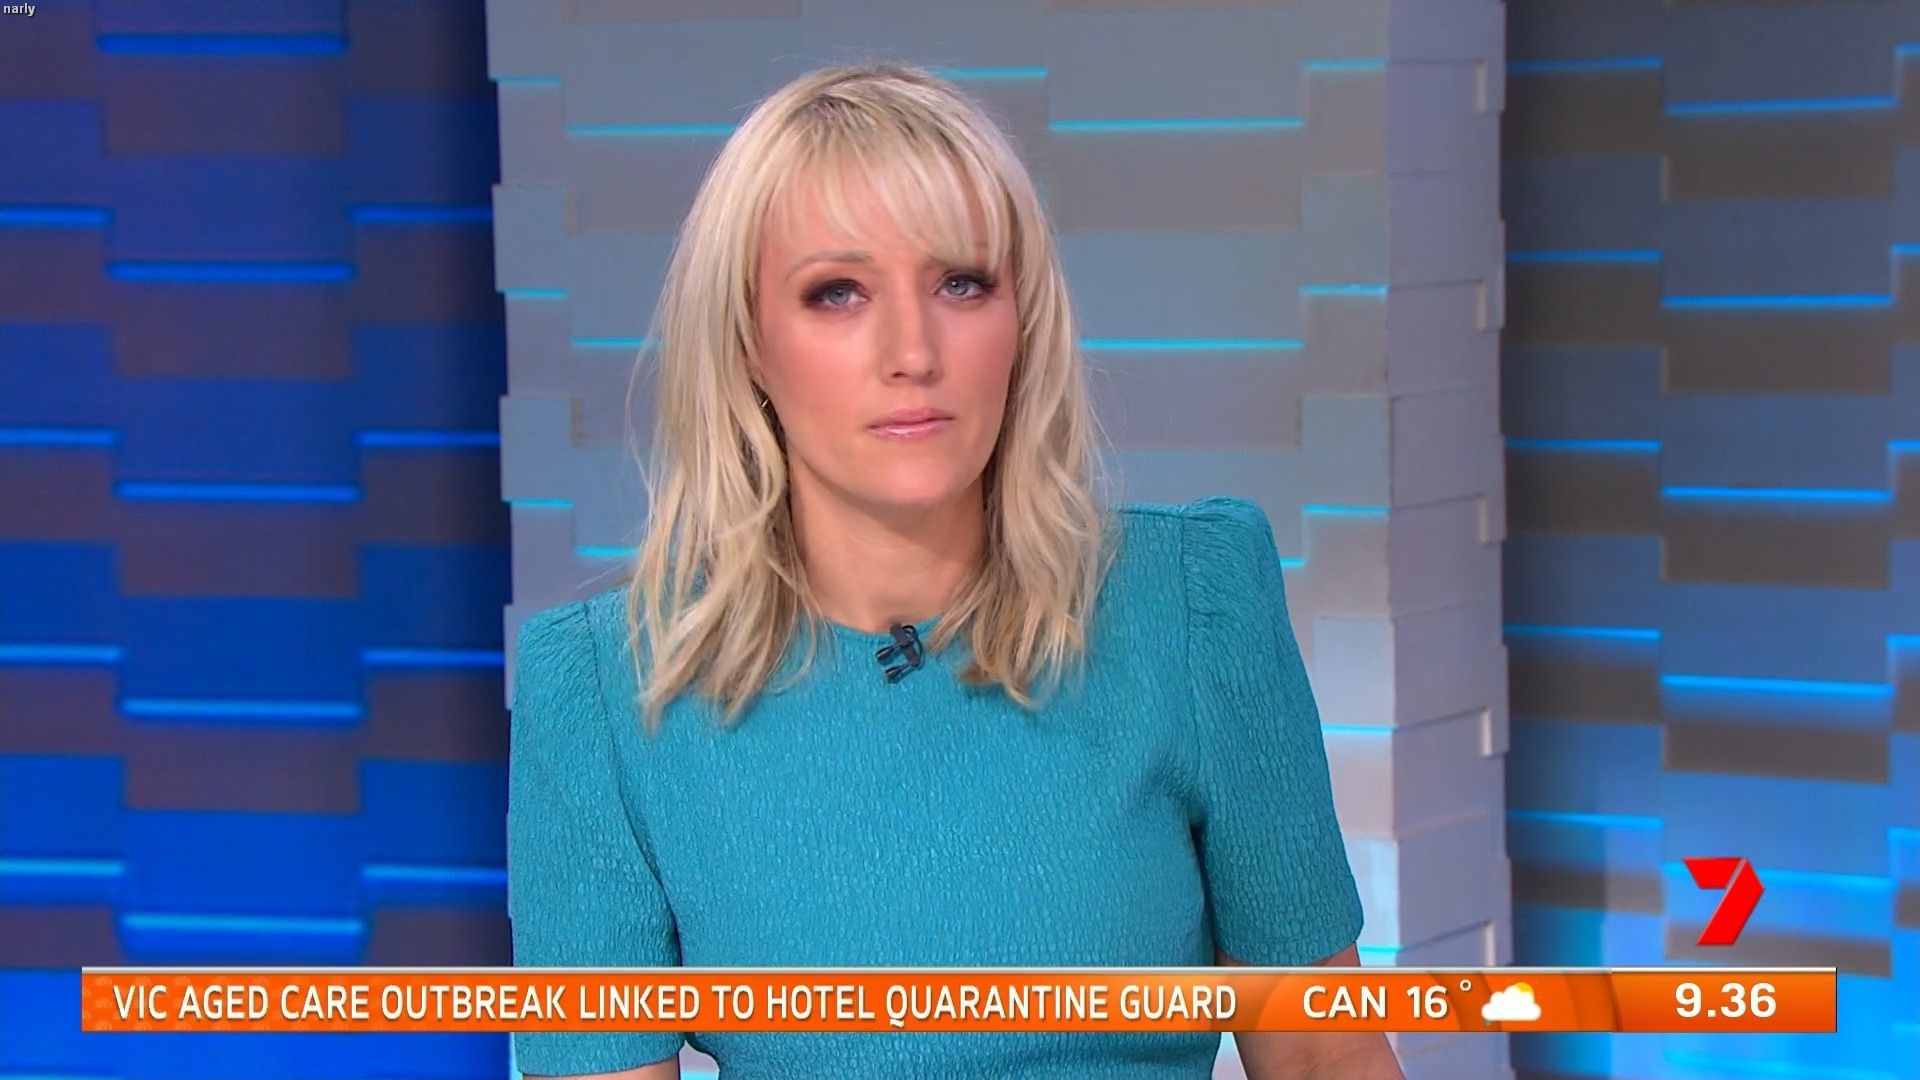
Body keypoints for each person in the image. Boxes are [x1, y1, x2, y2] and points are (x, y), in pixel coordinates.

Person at [506, 61, 1402, 1080]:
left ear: (1022, 319)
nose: (913, 351)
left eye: (961, 283)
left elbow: (1324, 1048)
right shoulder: (604, 698)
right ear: (748, 340)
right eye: (837, 293)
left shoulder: (1193, 607)